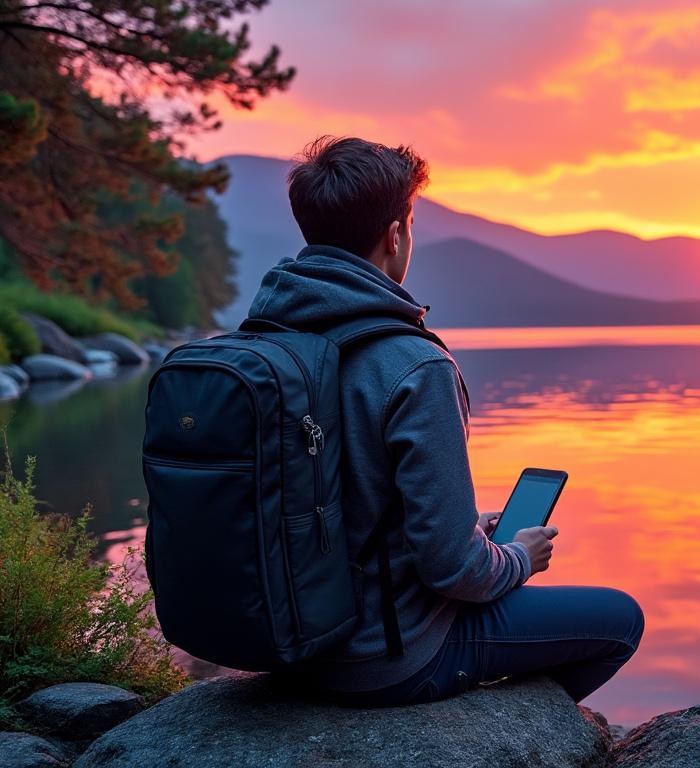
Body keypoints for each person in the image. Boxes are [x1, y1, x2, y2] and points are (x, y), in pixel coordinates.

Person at [248, 136, 643, 706]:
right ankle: (528, 732)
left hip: (284, 644)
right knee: (619, 621)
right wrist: (516, 558)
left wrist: (465, 526)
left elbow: (344, 509)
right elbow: (454, 571)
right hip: (383, 659)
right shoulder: (414, 364)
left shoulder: (266, 343)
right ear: (395, 235)